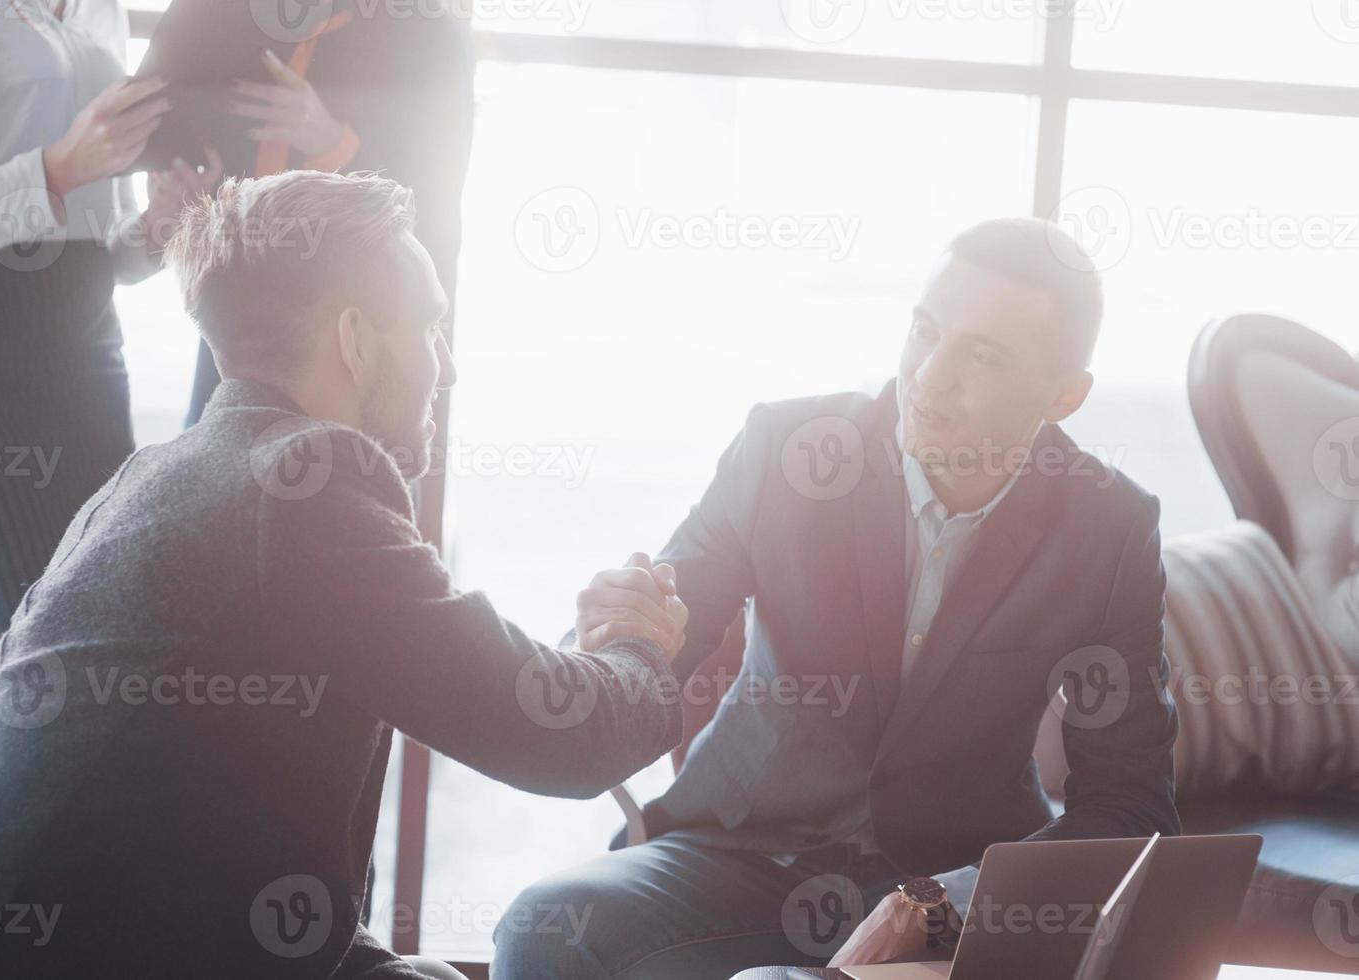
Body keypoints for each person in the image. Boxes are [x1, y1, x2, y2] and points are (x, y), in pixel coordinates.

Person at [0, 170, 687, 979]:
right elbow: (558, 737)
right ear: (355, 340)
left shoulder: (161, 478)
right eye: (431, 329)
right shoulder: (305, 485)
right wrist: (640, 648)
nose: (447, 371)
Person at [493, 218, 1180, 978]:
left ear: (1063, 395)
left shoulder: (1108, 526)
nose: (929, 377)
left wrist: (941, 900)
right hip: (736, 854)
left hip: (949, 891)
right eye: (926, 330)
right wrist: (607, 641)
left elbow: (1133, 810)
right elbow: (650, 649)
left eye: (981, 354)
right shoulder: (785, 451)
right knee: (546, 928)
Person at [0, 0, 221, 673]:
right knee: (23, 676)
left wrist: (160, 226)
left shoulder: (100, 11)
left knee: (110, 649)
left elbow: (106, 243)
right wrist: (55, 170)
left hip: (87, 356)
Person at [183, 0, 474, 429]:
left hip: (353, 311)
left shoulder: (430, 36)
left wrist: (331, 141)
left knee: (349, 466)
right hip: (249, 297)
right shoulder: (255, 20)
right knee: (224, 447)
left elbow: (432, 206)